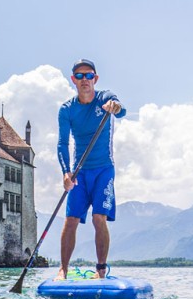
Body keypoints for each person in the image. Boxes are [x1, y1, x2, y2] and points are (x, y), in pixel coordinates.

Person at [56, 59, 126, 280]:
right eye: (79, 76)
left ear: (95, 79)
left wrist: (115, 106)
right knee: (71, 220)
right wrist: (66, 172)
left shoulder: (104, 98)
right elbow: (62, 144)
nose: (84, 80)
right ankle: (63, 270)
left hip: (104, 169)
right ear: (73, 80)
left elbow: (120, 109)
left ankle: (101, 270)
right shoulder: (66, 110)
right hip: (79, 172)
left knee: (99, 218)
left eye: (89, 76)